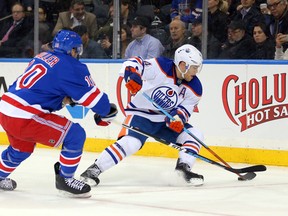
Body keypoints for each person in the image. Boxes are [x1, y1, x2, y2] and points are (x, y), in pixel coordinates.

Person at [0, 29, 117, 198]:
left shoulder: (41, 57)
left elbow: (43, 90)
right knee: (75, 135)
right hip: (25, 116)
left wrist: (65, 100)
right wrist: (108, 111)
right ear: (73, 50)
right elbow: (97, 102)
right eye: (77, 50)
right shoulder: (71, 66)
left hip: (5, 109)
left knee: (21, 148)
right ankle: (65, 179)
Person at [80, 44, 205, 187]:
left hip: (164, 120)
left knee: (195, 134)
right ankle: (93, 170)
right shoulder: (161, 66)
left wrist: (178, 119)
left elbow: (185, 109)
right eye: (194, 67)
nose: (196, 72)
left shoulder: (195, 87)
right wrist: (132, 76)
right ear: (183, 65)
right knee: (132, 143)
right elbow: (134, 63)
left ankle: (182, 171)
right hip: (141, 114)